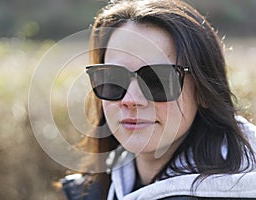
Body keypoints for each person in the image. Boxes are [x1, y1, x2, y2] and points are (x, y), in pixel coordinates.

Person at [59, 0, 256, 199]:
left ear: (204, 90)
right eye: (113, 78)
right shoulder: (93, 189)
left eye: (157, 80)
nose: (130, 99)